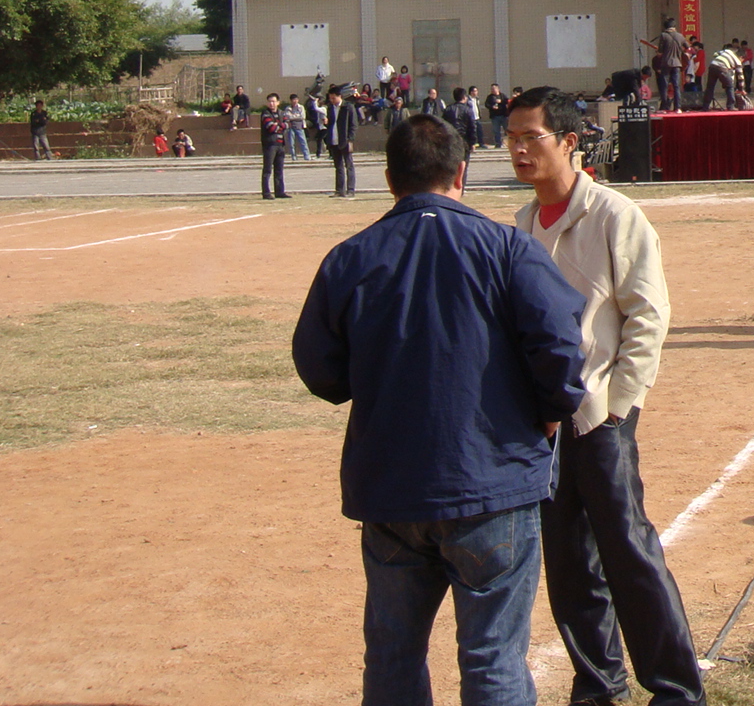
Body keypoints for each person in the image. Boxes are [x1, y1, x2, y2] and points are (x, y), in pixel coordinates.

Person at [291, 113, 587, 706]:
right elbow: (560, 345)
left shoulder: (350, 258)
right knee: (492, 656)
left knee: (394, 653)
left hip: (393, 486)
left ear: (389, 179)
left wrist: (380, 379)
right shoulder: (507, 248)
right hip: (492, 480)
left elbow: (319, 366)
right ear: (461, 174)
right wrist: (552, 409)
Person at [505, 85, 707, 706]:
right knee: (568, 561)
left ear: (569, 142)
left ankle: (676, 689)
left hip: (600, 416)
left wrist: (619, 405)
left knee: (628, 550)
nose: (519, 150)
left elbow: (648, 314)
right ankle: (597, 683)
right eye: (511, 139)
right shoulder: (522, 225)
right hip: (543, 425)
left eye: (532, 138)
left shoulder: (616, 216)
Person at [324, 85, 358, 196]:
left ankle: (351, 190)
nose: (331, 100)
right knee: (338, 166)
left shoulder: (348, 107)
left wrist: (350, 139)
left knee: (349, 165)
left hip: (345, 140)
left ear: (340, 96)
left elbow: (353, 125)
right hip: (333, 140)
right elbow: (331, 124)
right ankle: (339, 190)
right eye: (330, 98)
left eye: (333, 98)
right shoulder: (330, 108)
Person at [260, 92, 289, 198]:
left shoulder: (282, 113)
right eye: (269, 101)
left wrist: (279, 125)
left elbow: (287, 124)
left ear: (278, 102)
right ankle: (266, 192)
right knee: (267, 169)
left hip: (280, 144)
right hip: (270, 144)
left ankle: (280, 191)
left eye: (273, 101)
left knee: (279, 169)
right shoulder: (265, 114)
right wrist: (280, 125)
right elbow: (271, 128)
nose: (271, 104)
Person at [701, 42, 743, 110]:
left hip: (713, 65)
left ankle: (705, 106)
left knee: (710, 87)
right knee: (730, 86)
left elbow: (715, 54)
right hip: (722, 68)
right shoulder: (738, 62)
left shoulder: (727, 51)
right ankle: (730, 106)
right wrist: (741, 89)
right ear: (741, 57)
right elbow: (740, 77)